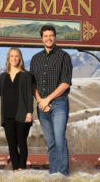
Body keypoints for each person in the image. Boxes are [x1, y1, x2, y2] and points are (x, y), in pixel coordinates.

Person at [30, 25, 72, 176]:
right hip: (42, 106)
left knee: (60, 138)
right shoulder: (35, 59)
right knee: (51, 142)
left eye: (51, 35)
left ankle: (63, 174)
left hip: (59, 103)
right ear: (41, 38)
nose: (48, 38)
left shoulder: (64, 56)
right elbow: (32, 83)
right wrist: (41, 101)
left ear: (55, 37)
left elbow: (66, 82)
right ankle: (53, 174)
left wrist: (47, 99)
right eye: (46, 36)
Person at [0, 48, 33, 172]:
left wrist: (30, 112)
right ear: (8, 58)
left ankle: (22, 168)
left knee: (21, 143)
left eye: (16, 56)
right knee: (11, 144)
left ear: (20, 58)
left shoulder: (26, 75)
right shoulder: (2, 77)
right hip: (7, 115)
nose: (14, 58)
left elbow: (29, 94)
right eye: (11, 56)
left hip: (22, 114)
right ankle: (15, 169)